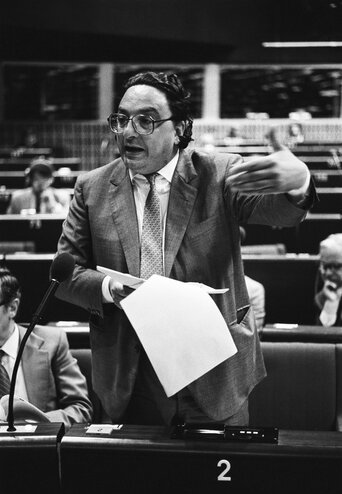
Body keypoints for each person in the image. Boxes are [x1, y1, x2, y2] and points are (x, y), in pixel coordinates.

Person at [55, 71, 316, 427]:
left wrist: (299, 183)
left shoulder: (219, 173)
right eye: (122, 119)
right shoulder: (92, 188)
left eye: (146, 120)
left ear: (178, 129)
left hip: (213, 371)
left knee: (216, 480)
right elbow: (65, 274)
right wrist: (108, 289)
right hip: (131, 375)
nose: (129, 131)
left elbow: (282, 213)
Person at [0, 266, 93, 428]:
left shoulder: (52, 342)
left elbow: (80, 408)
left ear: (12, 308)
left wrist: (38, 424)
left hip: (39, 446)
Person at [314, 233, 342, 327]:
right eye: (325, 266)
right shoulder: (322, 293)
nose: (328, 273)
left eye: (337, 266)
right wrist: (328, 304)